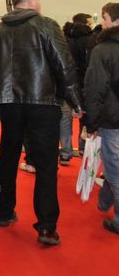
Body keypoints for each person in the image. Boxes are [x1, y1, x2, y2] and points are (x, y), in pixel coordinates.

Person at [0, 0, 83, 246]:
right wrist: (76, 101)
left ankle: (3, 212)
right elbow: (64, 65)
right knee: (45, 165)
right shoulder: (46, 25)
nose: (40, 1)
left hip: (9, 103)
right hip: (42, 102)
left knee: (7, 158)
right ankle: (47, 227)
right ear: (29, 1)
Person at [83, 2, 119, 236]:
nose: (102, 22)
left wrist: (91, 122)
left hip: (111, 118)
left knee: (115, 167)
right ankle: (105, 202)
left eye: (105, 18)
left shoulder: (103, 50)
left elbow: (95, 88)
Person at [60, 13, 92, 164]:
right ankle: (83, 147)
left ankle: (66, 152)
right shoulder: (90, 41)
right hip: (84, 84)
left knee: (65, 117)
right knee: (84, 116)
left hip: (66, 83)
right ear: (85, 24)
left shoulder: (63, 39)